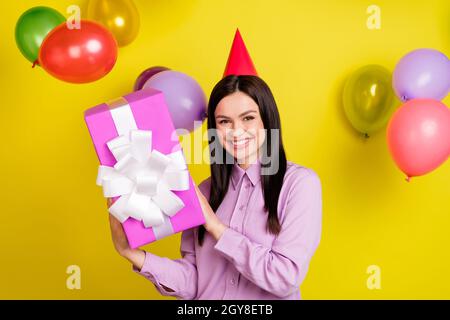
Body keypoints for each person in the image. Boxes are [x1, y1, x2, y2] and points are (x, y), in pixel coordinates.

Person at [107, 30, 322, 300]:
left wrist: (215, 225)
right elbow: (194, 281)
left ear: (267, 120)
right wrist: (135, 255)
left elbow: (284, 278)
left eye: (248, 118)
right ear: (214, 130)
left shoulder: (299, 185)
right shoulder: (204, 191)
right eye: (224, 122)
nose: (236, 131)